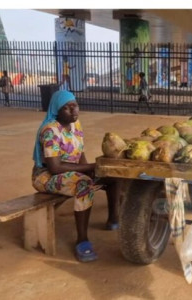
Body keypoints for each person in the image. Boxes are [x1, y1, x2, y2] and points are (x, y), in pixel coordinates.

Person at [32, 90, 117, 262]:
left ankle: (114, 219)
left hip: (71, 171)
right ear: (57, 110)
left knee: (110, 176)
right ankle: (82, 240)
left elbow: (79, 153)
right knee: (84, 185)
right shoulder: (50, 131)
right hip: (46, 176)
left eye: (75, 105)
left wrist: (89, 169)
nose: (73, 110)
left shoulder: (76, 126)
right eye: (67, 108)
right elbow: (54, 167)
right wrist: (89, 168)